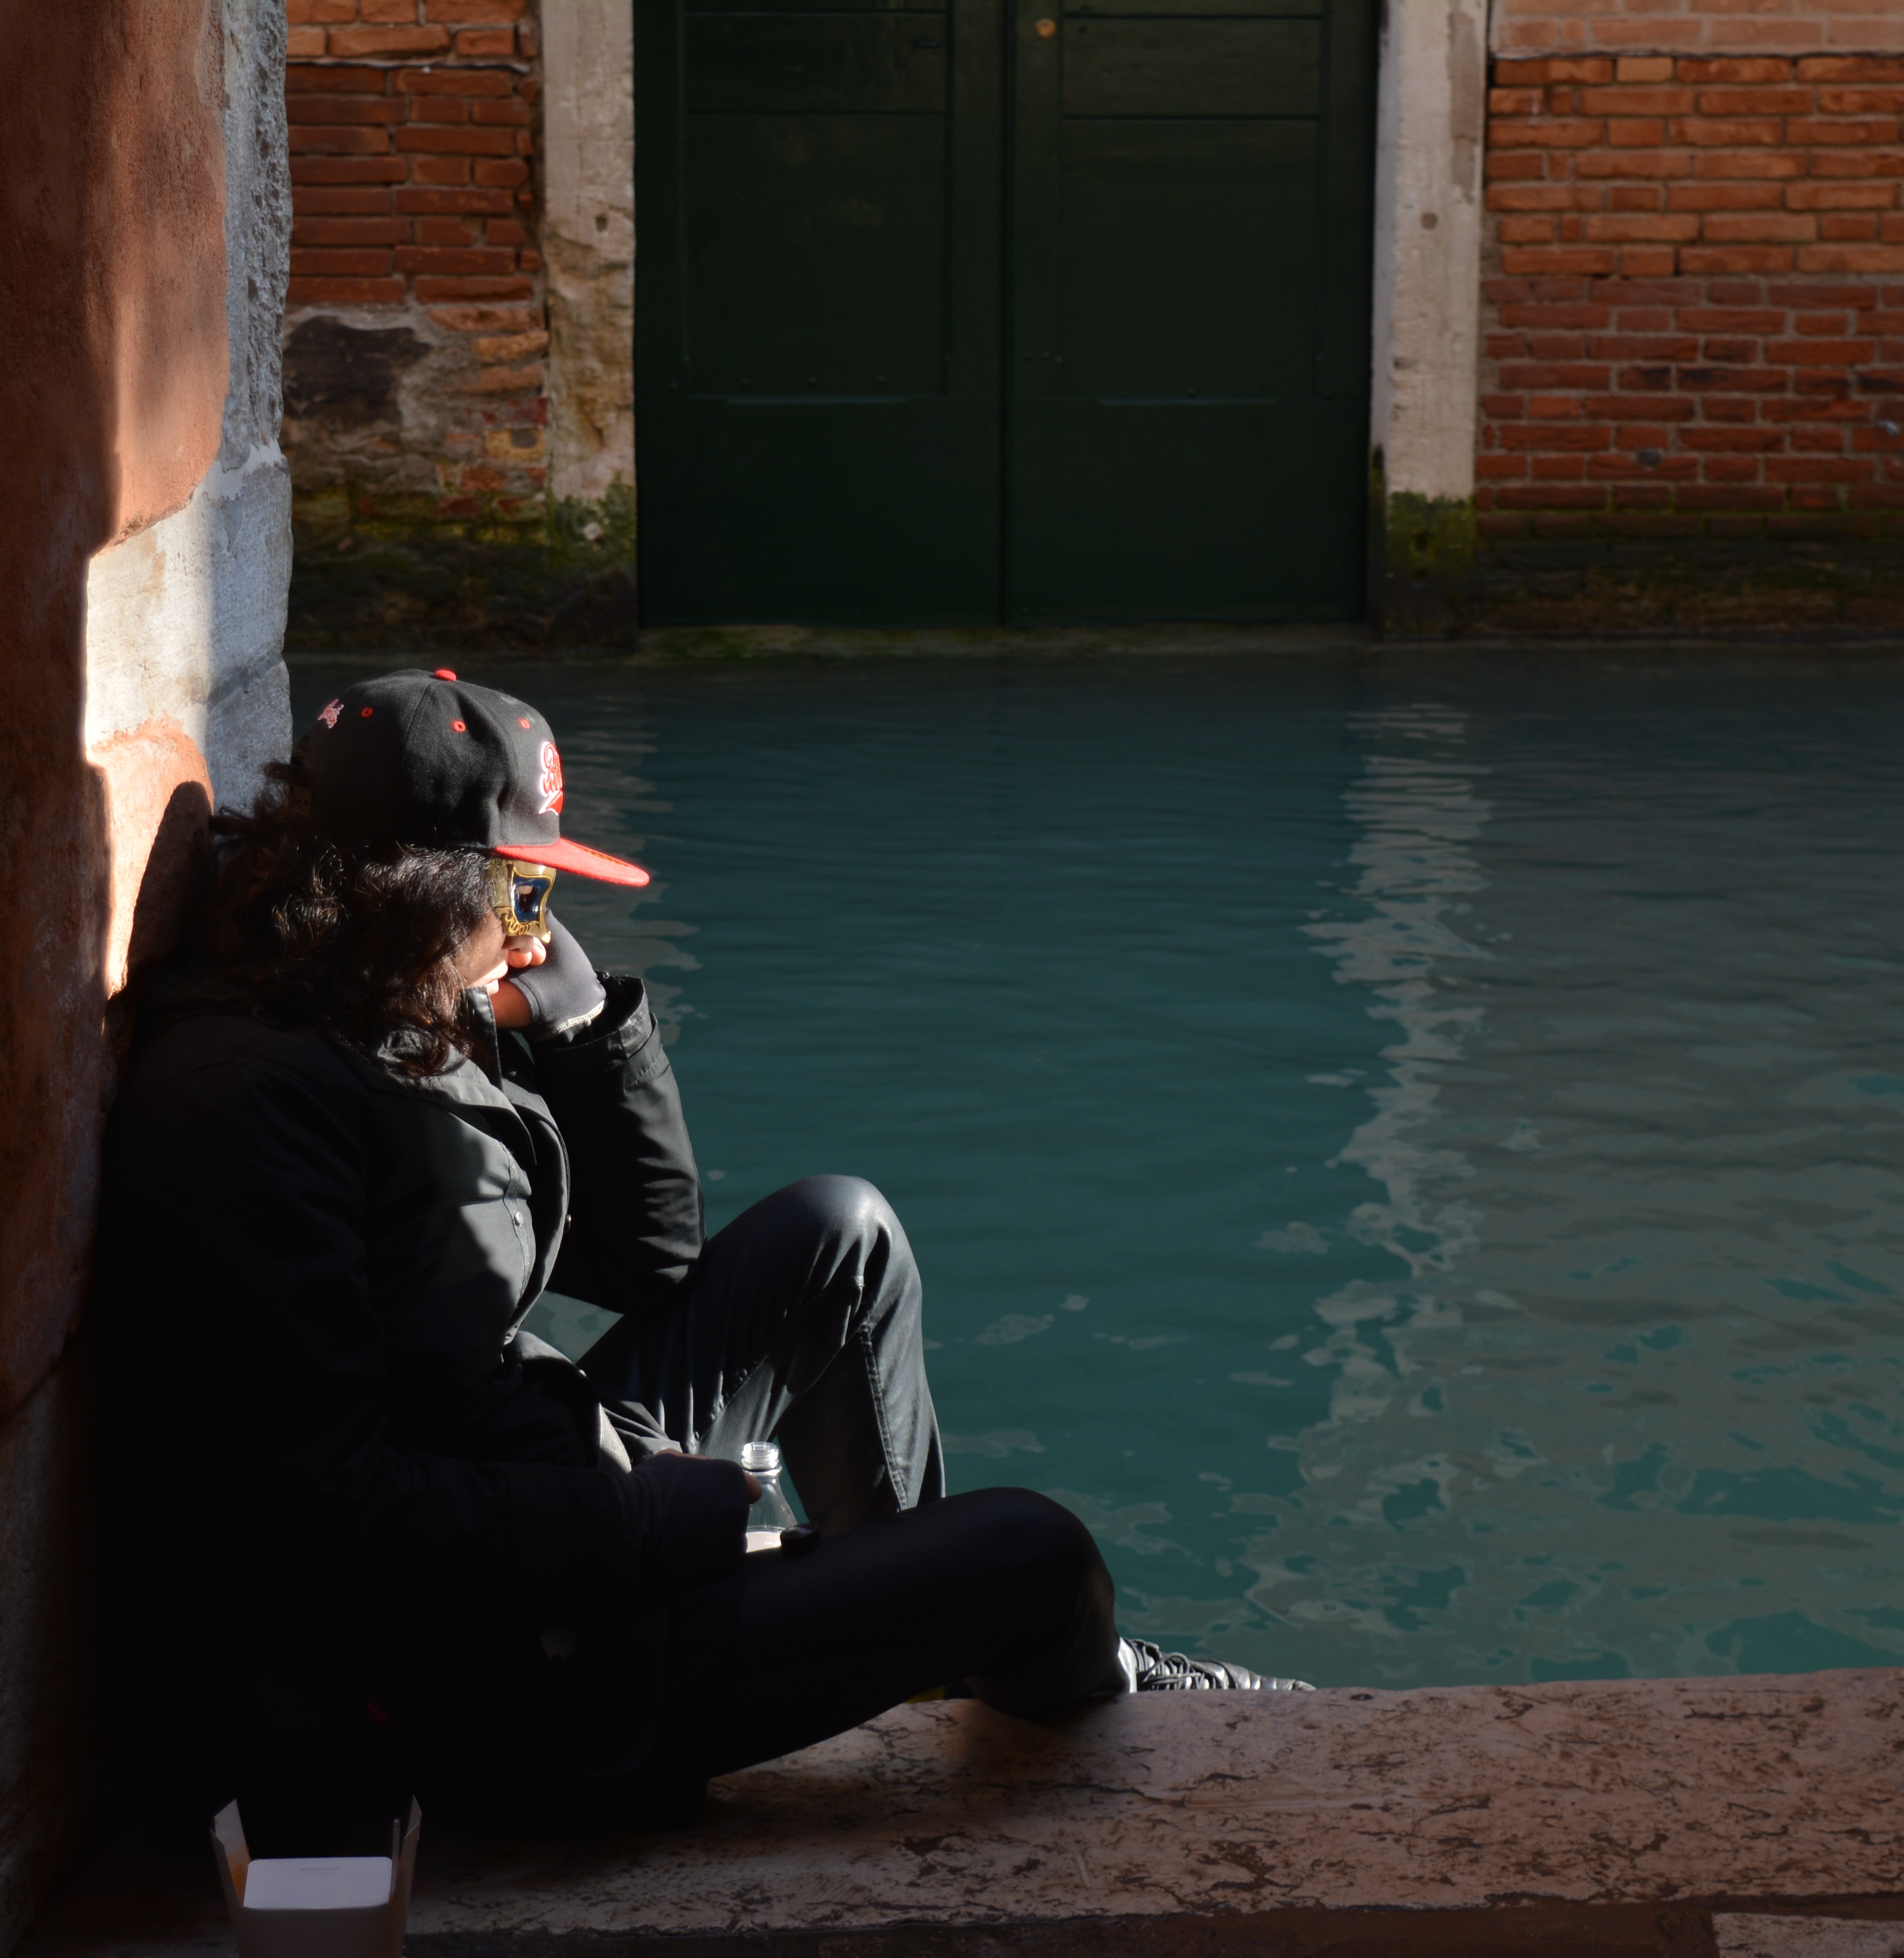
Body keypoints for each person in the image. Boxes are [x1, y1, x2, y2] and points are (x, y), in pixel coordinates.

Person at [95, 666, 1303, 1839]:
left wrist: (591, 1035)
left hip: (532, 1490)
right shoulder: (248, 1111)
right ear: (415, 888)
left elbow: (651, 1258)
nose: (538, 933)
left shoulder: (375, 1001)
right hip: (480, 1683)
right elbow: (325, 1518)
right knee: (1034, 1552)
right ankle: (1007, 1649)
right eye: (525, 895)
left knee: (843, 1233)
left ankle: (901, 1628)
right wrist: (660, 1520)